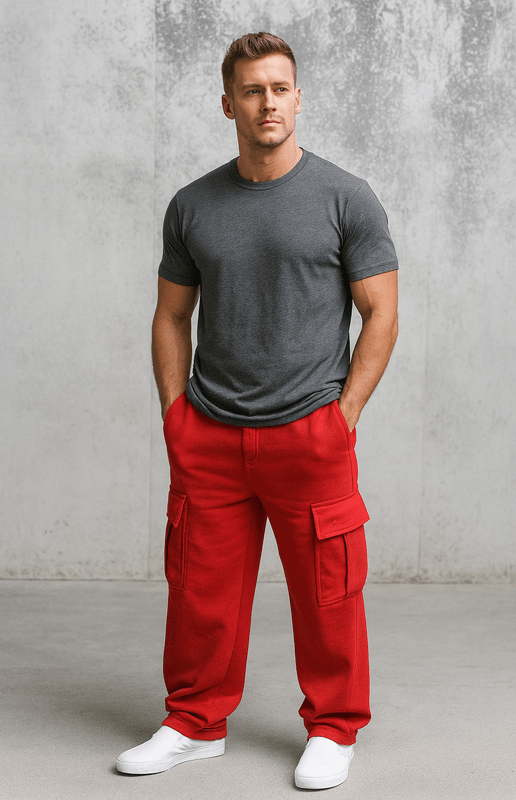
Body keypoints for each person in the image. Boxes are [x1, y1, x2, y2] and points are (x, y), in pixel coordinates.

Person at [116, 31, 398, 790]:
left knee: (329, 593)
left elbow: (381, 312)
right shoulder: (193, 204)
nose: (266, 103)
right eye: (251, 90)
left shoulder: (345, 197)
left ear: (297, 98)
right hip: (210, 432)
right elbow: (170, 315)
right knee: (198, 592)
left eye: (279, 88)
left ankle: (333, 728)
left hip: (310, 431)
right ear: (227, 104)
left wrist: (345, 413)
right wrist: (175, 412)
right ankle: (193, 724)